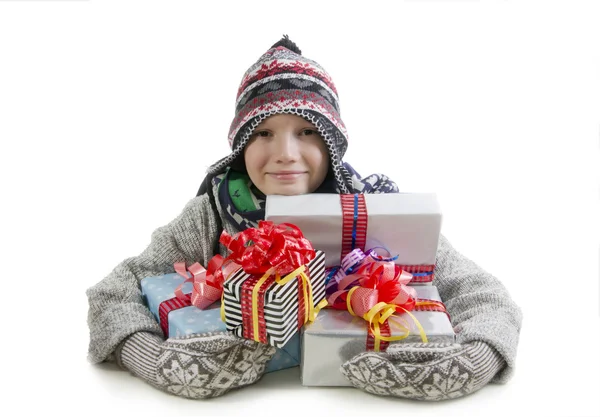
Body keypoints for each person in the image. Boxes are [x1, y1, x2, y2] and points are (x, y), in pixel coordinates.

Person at [86, 35, 522, 400]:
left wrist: (473, 360)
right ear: (240, 145)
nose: (285, 154)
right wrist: (148, 356)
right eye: (263, 133)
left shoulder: (370, 208)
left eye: (307, 132)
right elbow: (116, 289)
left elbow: (479, 290)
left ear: (332, 142)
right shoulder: (213, 212)